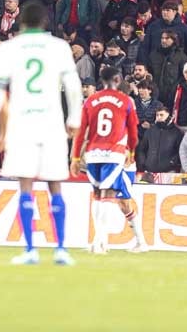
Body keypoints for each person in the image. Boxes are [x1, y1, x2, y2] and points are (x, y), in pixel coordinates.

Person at [0, 0, 83, 266]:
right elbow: (72, 85)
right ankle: (61, 249)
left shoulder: (8, 49)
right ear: (46, 22)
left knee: (25, 185)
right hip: (51, 121)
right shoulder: (60, 47)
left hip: (22, 122)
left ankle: (30, 250)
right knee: (55, 186)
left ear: (21, 23)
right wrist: (74, 117)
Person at [70, 66, 146, 254]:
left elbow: (80, 132)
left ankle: (113, 241)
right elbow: (134, 132)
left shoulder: (91, 101)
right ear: (117, 79)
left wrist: (76, 157)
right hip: (116, 154)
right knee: (109, 196)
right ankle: (100, 241)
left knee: (109, 197)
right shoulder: (125, 101)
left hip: (94, 154)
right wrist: (132, 152)